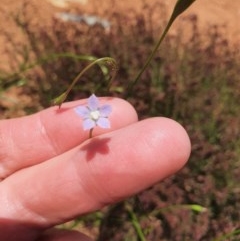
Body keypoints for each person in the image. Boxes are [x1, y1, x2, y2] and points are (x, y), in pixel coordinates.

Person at [0, 97, 191, 241]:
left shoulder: (98, 117)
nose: (94, 115)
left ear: (100, 114)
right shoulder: (92, 117)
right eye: (93, 114)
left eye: (97, 114)